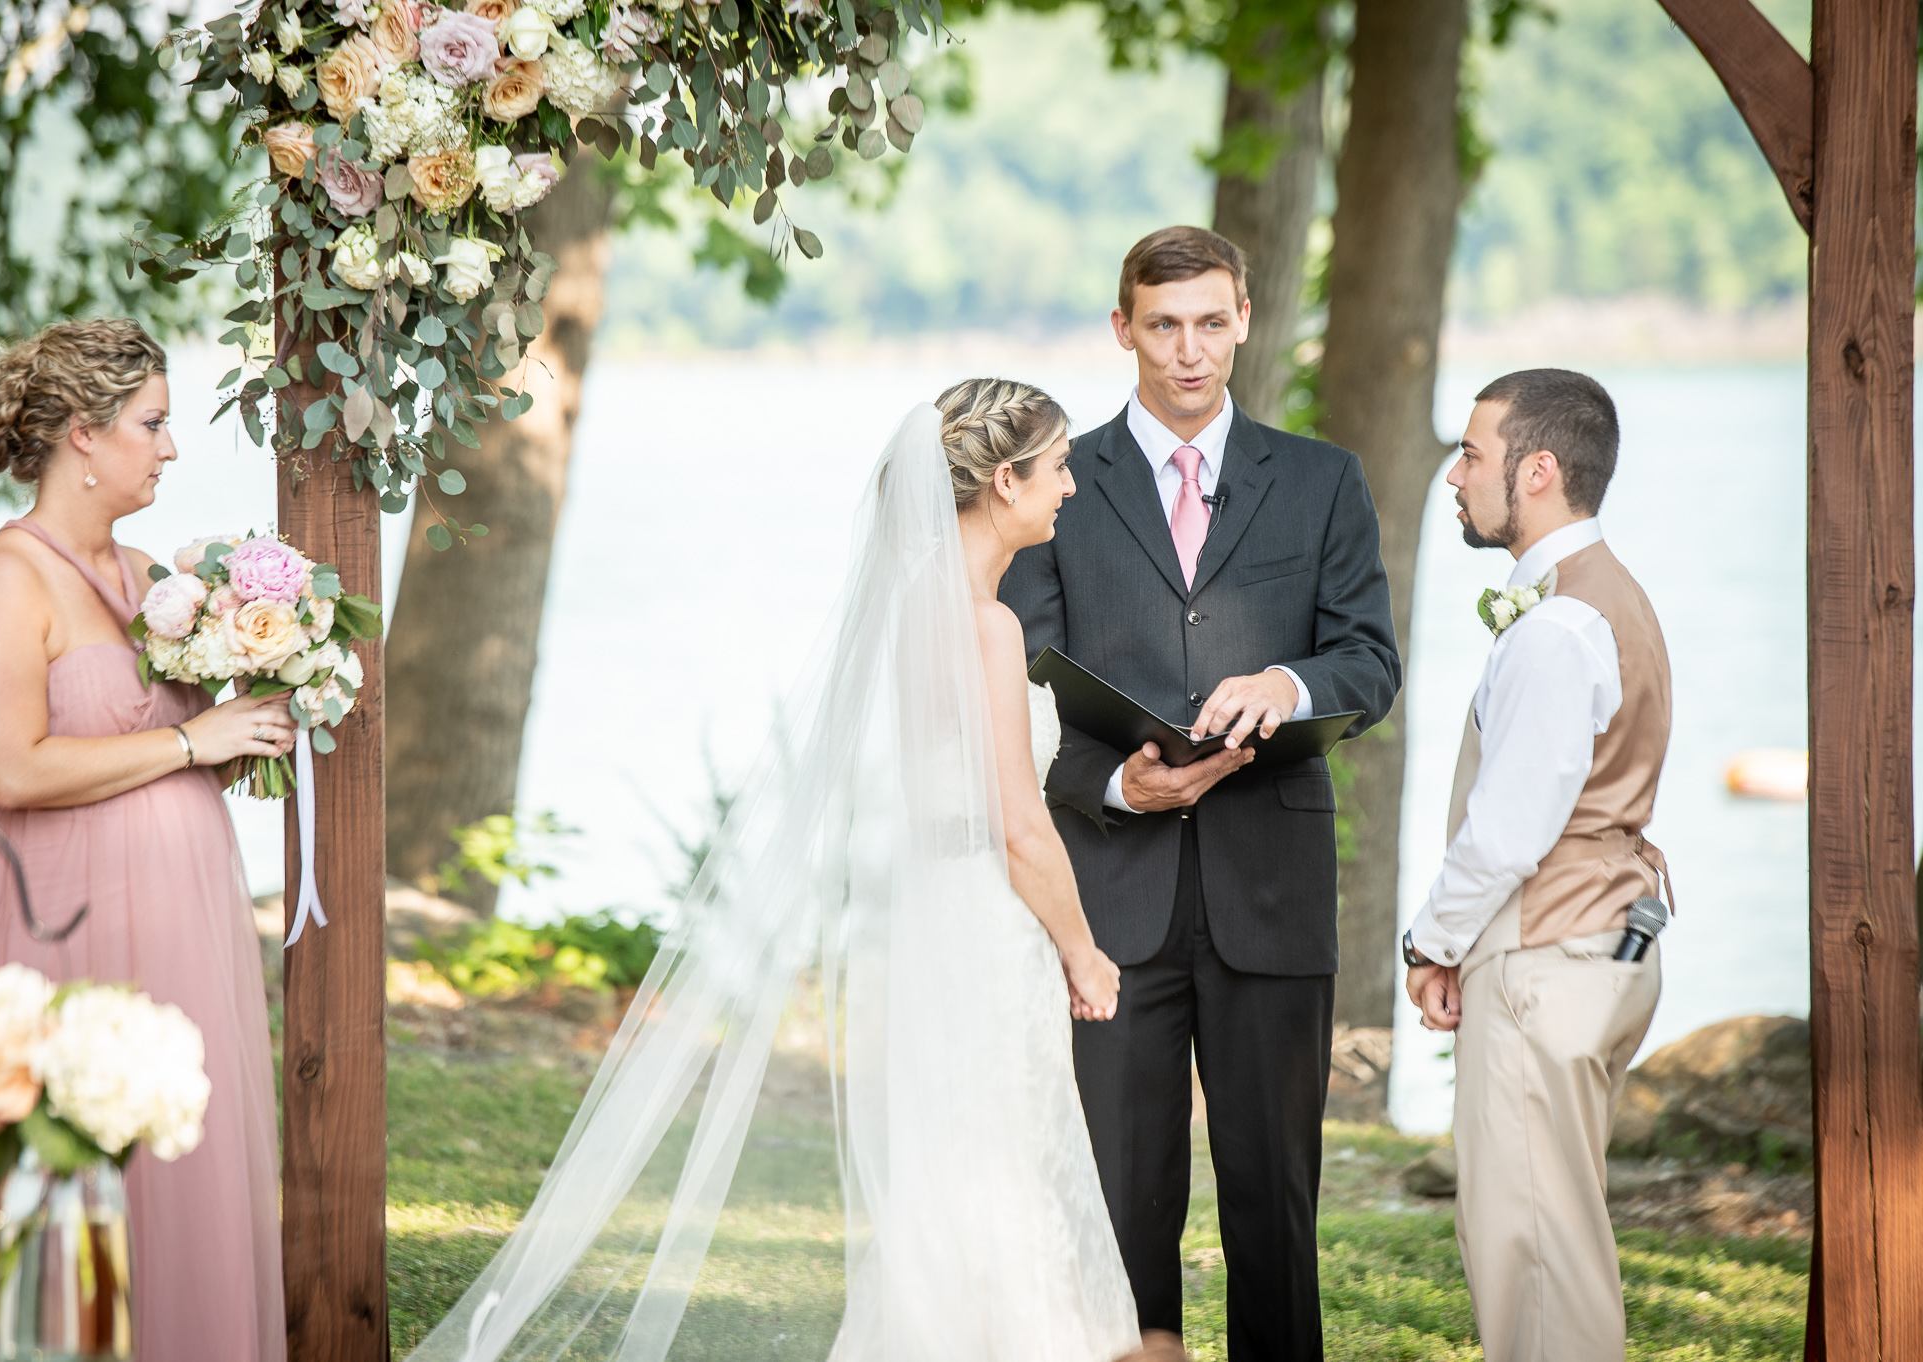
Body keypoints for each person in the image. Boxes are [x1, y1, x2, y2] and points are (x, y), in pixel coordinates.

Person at [411, 385, 1145, 1362]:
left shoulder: (913, 613)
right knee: (998, 1168)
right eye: (1056, 467)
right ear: (1004, 481)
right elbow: (1017, 826)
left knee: (950, 1173)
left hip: (927, 918)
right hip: (986, 917)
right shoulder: (986, 627)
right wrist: (1083, 950)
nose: (1069, 487)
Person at [1001, 225, 1400, 1361]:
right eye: (1164, 325)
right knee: (1121, 1194)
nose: (1189, 351)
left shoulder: (1322, 480)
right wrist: (1111, 782)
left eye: (1211, 323)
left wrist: (1286, 678)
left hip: (1271, 895)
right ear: (1123, 329)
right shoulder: (1058, 485)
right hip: (1110, 900)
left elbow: (1370, 662)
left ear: (1243, 322)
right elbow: (1021, 688)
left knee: (1275, 1199)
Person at [0, 319, 290, 1359]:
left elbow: (174, 740)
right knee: (60, 1169)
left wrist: (253, 720)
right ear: (83, 436)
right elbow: (16, 769)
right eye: (153, 424)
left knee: (181, 1160)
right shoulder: (0, 579)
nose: (171, 448)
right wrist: (189, 741)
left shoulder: (149, 576)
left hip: (183, 914)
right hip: (51, 913)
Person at [1403, 369, 1668, 1362]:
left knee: (1534, 1262)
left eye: (1471, 455)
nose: (1452, 476)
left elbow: (1508, 831)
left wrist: (1429, 942)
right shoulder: (1612, 598)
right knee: (1560, 1236)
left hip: (1544, 962)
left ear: (1539, 470)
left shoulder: (1558, 628)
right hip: (1607, 939)